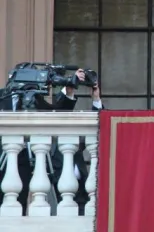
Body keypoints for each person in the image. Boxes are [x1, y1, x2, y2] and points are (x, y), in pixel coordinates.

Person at [0, 69, 103, 215]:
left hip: (48, 164)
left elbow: (58, 112)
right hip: (13, 161)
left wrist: (70, 87)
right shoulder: (3, 97)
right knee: (14, 201)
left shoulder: (37, 101)